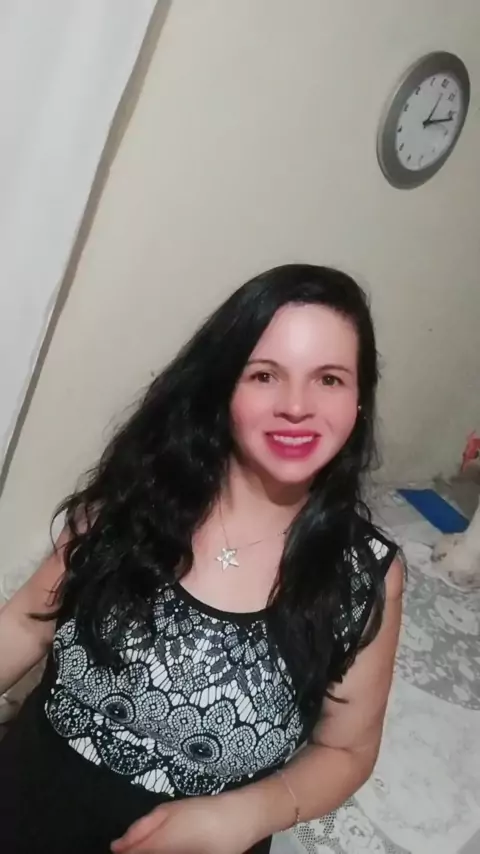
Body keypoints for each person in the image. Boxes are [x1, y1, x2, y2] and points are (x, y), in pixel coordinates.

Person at [0, 264, 403, 854]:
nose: (296, 406)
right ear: (223, 386)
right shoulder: (136, 496)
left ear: (360, 399)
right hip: (26, 805)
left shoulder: (362, 577)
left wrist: (244, 816)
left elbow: (347, 751)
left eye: (329, 379)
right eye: (264, 374)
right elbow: (24, 623)